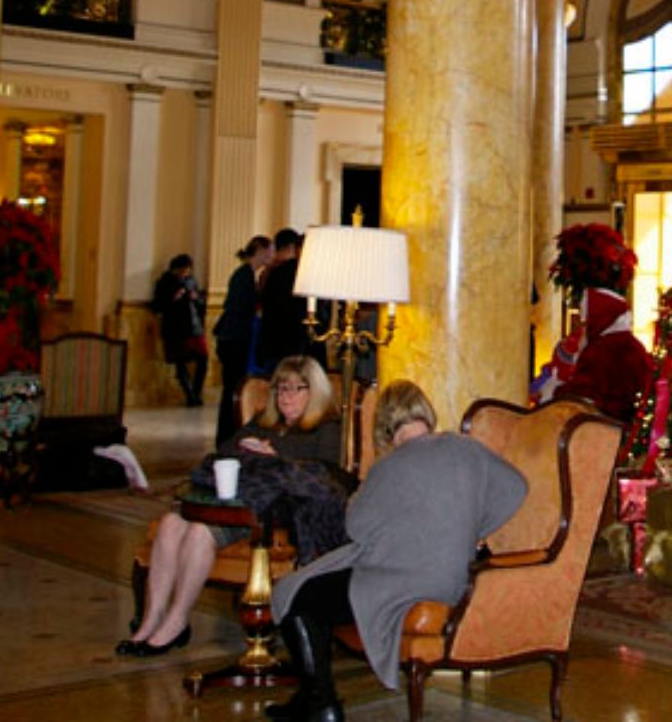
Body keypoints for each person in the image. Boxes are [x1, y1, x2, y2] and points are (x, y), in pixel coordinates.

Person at [264, 381, 528, 722]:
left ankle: (320, 705)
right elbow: (515, 487)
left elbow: (356, 528)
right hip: (452, 578)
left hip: (400, 582)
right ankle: (310, 701)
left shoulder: (388, 468)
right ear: (426, 412)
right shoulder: (467, 449)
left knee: (298, 595)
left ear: (384, 426)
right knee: (312, 590)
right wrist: (473, 527)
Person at [118, 355, 346, 657]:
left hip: (274, 516)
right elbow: (225, 451)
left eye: (297, 388)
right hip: (235, 502)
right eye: (281, 388)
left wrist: (272, 453)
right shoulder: (265, 421)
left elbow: (324, 476)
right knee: (172, 523)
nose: (286, 396)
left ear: (314, 392)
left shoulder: (325, 428)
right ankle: (150, 621)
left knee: (199, 532)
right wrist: (255, 450)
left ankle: (176, 621)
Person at [537, 287, 654, 426]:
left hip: (605, 427)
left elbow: (583, 394)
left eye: (585, 322)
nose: (583, 327)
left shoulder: (599, 351)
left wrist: (554, 390)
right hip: (634, 426)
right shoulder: (635, 345)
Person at [212, 235, 275, 446]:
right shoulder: (244, 276)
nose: (272, 255)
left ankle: (228, 436)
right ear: (260, 250)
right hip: (235, 340)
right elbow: (240, 309)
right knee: (233, 389)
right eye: (270, 251)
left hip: (234, 338)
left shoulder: (247, 274)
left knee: (233, 388)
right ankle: (227, 437)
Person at [151, 254, 209, 407]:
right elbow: (157, 306)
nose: (186, 273)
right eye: (183, 270)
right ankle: (190, 395)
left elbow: (201, 303)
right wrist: (173, 298)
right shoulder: (164, 283)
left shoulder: (191, 281)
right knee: (180, 363)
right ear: (175, 269)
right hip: (176, 329)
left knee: (203, 359)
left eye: (188, 270)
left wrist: (196, 298)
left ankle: (196, 392)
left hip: (195, 327)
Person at [255, 229, 309, 378]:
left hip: (272, 343)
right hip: (295, 345)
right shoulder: (302, 273)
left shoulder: (269, 273)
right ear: (295, 247)